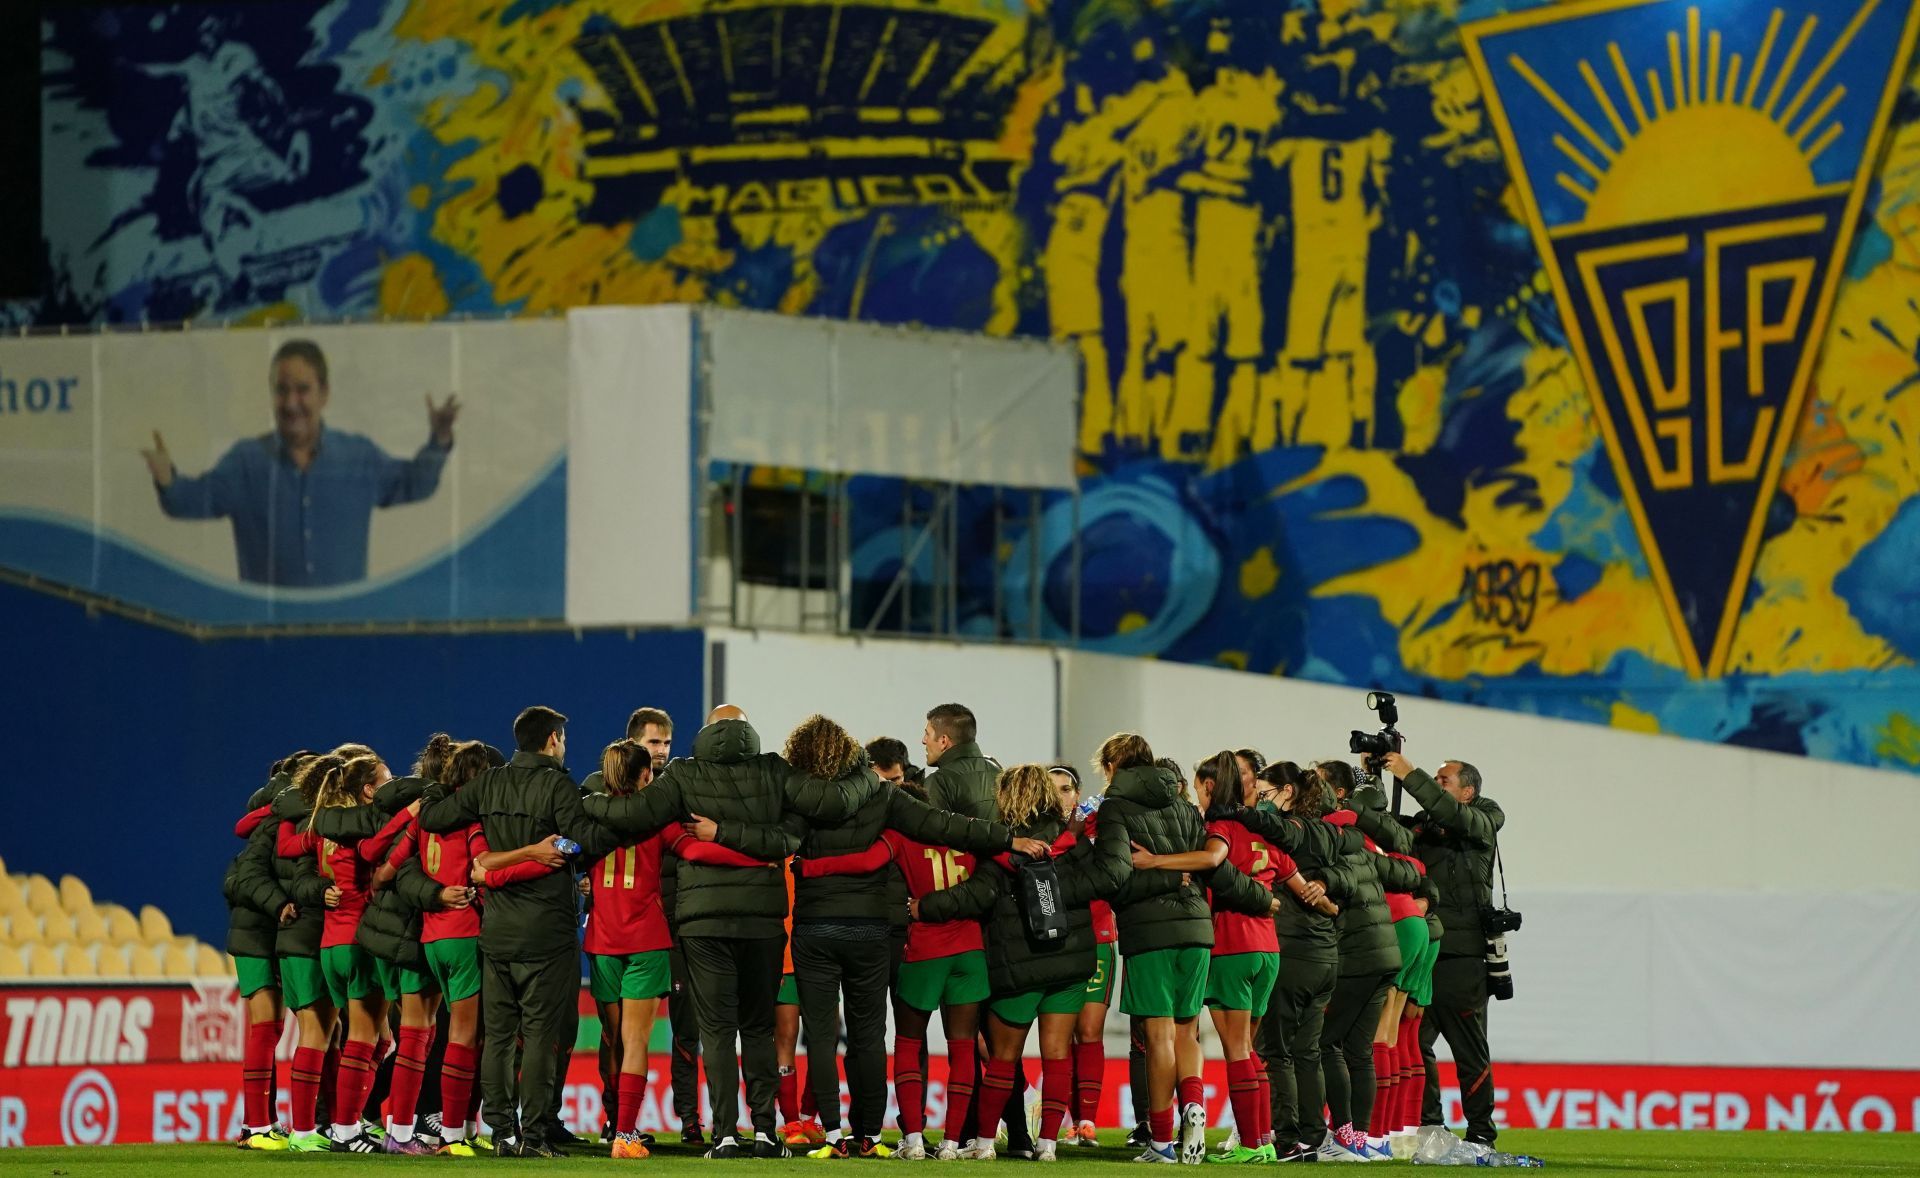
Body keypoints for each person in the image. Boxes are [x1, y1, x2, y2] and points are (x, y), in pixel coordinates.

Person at [580, 705, 881, 1158]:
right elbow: (829, 806)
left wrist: (584, 802)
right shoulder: (774, 771)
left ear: (707, 733)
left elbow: (633, 813)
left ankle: (723, 1134)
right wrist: (864, 772)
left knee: (716, 1031)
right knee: (757, 1028)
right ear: (748, 731)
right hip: (762, 919)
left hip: (702, 921)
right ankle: (762, 1131)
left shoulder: (682, 775)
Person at [916, 764, 1132, 1162]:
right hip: (1069, 965)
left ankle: (983, 1143)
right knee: (1057, 1055)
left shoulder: (1002, 846)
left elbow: (977, 895)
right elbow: (1101, 880)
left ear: (1008, 796)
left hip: (1021, 966)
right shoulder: (1072, 840)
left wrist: (924, 906)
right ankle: (1047, 1144)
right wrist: (1056, 887)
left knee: (1002, 1059)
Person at [417, 706, 606, 1158]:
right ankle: (534, 1135)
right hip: (547, 933)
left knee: (498, 1037)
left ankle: (501, 1133)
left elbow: (434, 817)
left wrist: (423, 793)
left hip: (497, 932)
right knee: (541, 1035)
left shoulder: (489, 784)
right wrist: (561, 846)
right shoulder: (559, 786)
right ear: (553, 740)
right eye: (562, 738)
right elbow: (585, 841)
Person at [142, 338, 459, 587]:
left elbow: (416, 484)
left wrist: (439, 440)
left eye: (303, 390)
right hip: (266, 643)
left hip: (340, 639)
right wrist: (167, 477)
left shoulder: (357, 457)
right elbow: (190, 501)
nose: (291, 403)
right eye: (281, 391)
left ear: (324, 394)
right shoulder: (246, 462)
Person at [1098, 734, 1274, 1164]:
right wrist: (1262, 898)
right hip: (1197, 930)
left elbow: (1113, 876)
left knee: (1158, 1036)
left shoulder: (1115, 808)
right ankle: (1193, 1104)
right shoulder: (1185, 808)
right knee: (1186, 1030)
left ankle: (1161, 1140)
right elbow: (1216, 870)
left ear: (1113, 767)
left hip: (1150, 930)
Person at [581, 708, 701, 1144]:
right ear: (645, 775)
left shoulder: (587, 813)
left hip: (602, 937)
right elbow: (696, 853)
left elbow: (566, 850)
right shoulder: (659, 820)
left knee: (612, 1040)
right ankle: (626, 1135)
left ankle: (612, 1123)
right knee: (635, 1042)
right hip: (648, 937)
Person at [1382, 752, 1504, 1150]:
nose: (1435, 785)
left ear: (1467, 791)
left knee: (1469, 1050)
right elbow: (1384, 827)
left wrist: (1409, 774)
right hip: (1427, 948)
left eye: (1443, 780)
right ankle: (1431, 1127)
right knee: (1415, 1042)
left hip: (1463, 955)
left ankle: (1482, 1134)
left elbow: (1453, 815)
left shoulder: (1485, 818)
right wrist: (1372, 775)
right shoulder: (1425, 825)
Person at [279, 752, 394, 1153]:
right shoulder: (361, 830)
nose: (392, 786)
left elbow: (290, 845)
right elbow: (376, 852)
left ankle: (346, 1121)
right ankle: (345, 1129)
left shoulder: (321, 830)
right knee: (362, 1037)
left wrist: (277, 816)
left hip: (331, 944)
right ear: (367, 790)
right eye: (386, 780)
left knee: (378, 1037)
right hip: (359, 942)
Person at [1317, 761, 1421, 1161]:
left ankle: (1344, 1137)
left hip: (1363, 946)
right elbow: (1411, 870)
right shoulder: (1368, 835)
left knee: (1327, 1042)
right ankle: (1368, 1139)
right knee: (1366, 1046)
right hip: (1389, 943)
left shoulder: (1332, 833)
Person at [224, 753, 314, 1151]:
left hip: (269, 933)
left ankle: (263, 1123)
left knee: (273, 1027)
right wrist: (279, 904)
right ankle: (256, 1126)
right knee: (266, 1027)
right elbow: (243, 880)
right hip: (256, 935)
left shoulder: (274, 820)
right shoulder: (273, 824)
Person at [1048, 764, 1112, 1149]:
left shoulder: (1097, 832)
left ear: (1078, 794)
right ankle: (1051, 1116)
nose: (1062, 796)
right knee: (1056, 1035)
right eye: (1053, 789)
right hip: (1051, 940)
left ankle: (1085, 1121)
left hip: (1098, 935)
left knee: (1088, 1031)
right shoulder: (1035, 835)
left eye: (1068, 788)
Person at [921, 703, 1001, 820]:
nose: (923, 740)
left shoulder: (938, 781)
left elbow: (933, 833)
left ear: (943, 741)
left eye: (927, 734)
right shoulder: (997, 768)